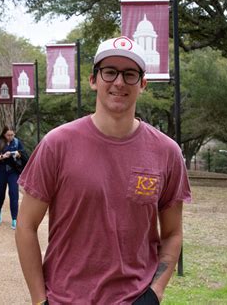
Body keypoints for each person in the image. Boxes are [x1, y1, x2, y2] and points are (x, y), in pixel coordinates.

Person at [15, 36, 192, 304]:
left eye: (130, 74)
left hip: (135, 299)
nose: (119, 82)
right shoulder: (57, 144)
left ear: (143, 84)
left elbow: (172, 234)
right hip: (65, 298)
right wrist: (40, 300)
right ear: (93, 80)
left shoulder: (167, 152)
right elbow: (26, 226)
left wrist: (155, 291)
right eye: (109, 72)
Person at [0, 126, 25, 230]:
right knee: (0, 195)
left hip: (13, 172)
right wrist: (3, 156)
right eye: (8, 135)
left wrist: (18, 154)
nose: (10, 137)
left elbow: (24, 154)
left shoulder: (17, 142)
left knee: (14, 194)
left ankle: (14, 219)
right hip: (0, 171)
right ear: (4, 134)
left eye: (12, 135)